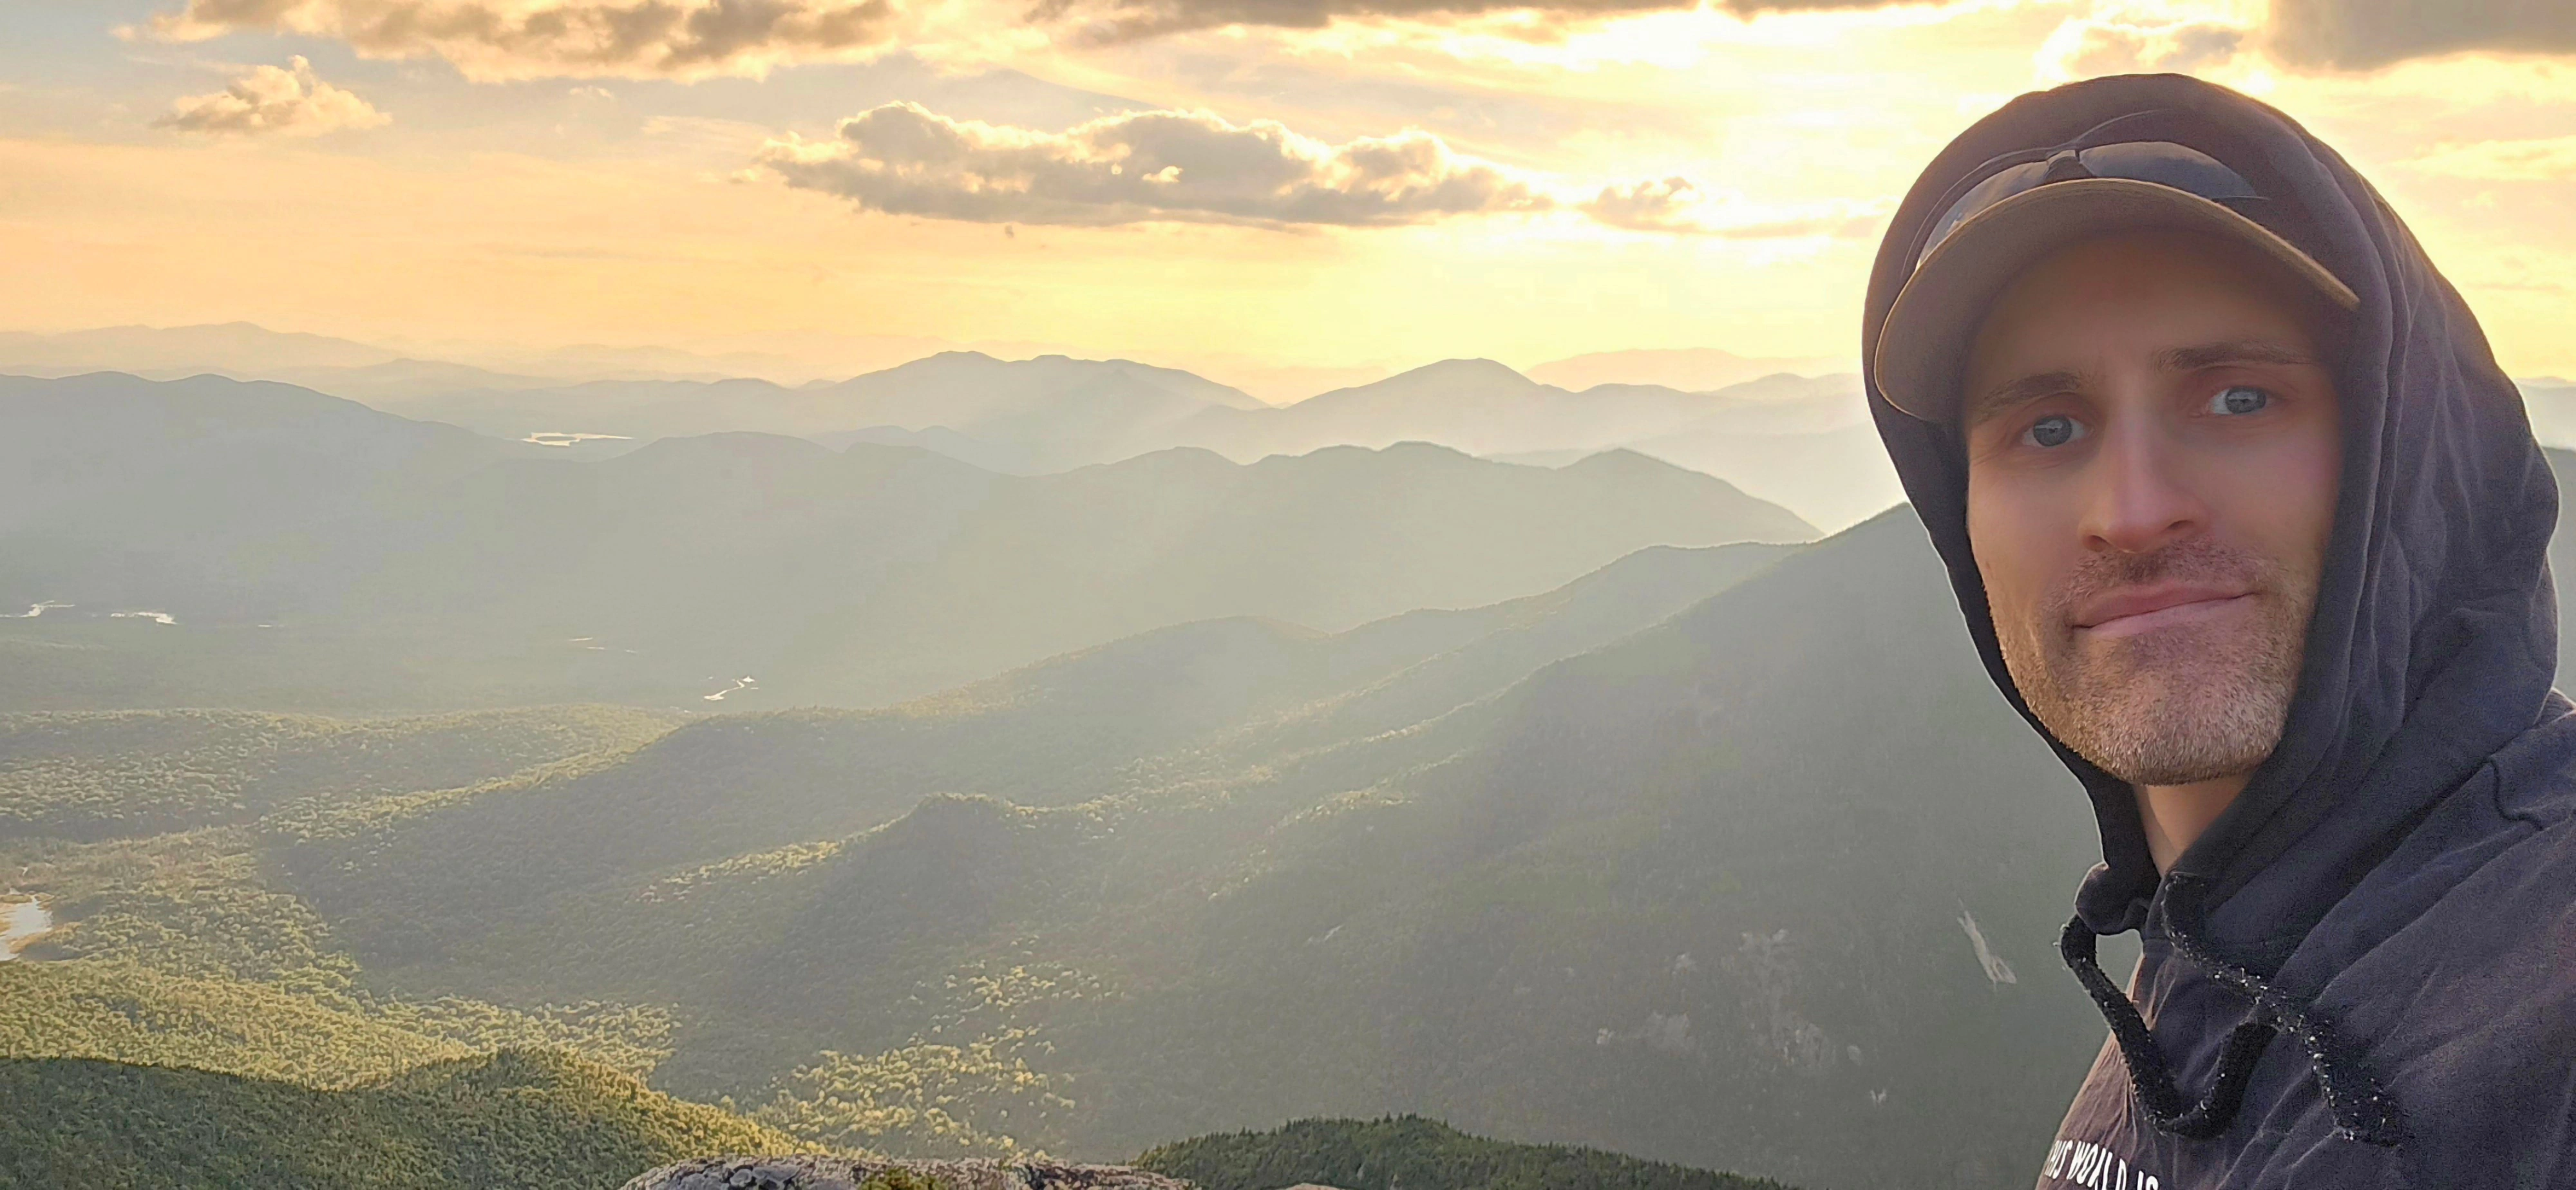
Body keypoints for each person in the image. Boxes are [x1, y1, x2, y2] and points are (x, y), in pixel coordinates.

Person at [1864, 73, 2576, 1187]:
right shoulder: (2201, 947)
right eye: (2048, 427)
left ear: (2403, 456)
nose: (2133, 510)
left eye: (2240, 399)